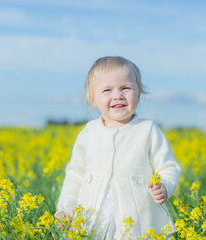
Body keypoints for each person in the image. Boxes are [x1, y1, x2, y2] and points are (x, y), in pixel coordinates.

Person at [55, 56, 181, 239]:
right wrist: (66, 208)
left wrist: (165, 186)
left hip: (138, 218)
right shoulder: (88, 133)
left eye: (126, 88)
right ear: (93, 99)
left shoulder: (148, 130)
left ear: (138, 94)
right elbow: (75, 174)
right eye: (107, 90)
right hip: (94, 216)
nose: (118, 95)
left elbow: (168, 166)